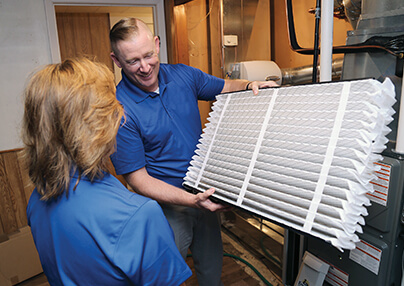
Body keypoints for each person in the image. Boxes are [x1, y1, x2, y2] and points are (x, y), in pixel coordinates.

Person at [109, 18, 278, 286]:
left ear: (157, 44)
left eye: (149, 55)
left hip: (204, 194)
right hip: (166, 207)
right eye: (132, 61)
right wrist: (190, 201)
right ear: (117, 61)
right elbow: (137, 179)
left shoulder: (183, 75)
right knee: (166, 278)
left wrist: (249, 85)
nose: (144, 67)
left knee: (211, 269)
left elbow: (224, 86)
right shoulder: (119, 110)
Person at [22, 57, 192, 286]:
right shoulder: (139, 216)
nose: (121, 116)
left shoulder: (36, 199)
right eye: (113, 107)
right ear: (94, 127)